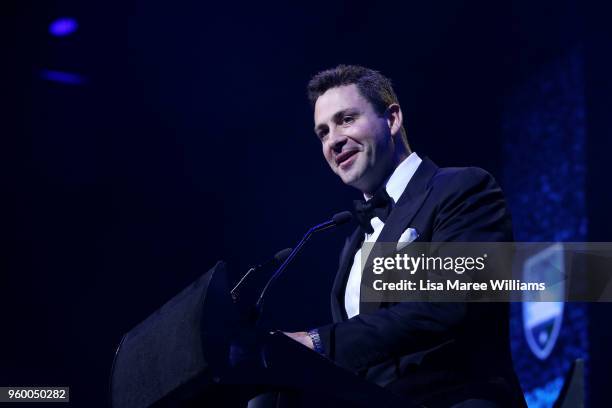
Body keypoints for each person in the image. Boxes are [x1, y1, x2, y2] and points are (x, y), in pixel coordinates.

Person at [284, 65, 526, 407]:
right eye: (322, 132)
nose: (334, 140)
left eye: (347, 119)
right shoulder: (352, 244)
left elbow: (451, 304)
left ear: (393, 118)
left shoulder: (462, 188)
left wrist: (319, 342)